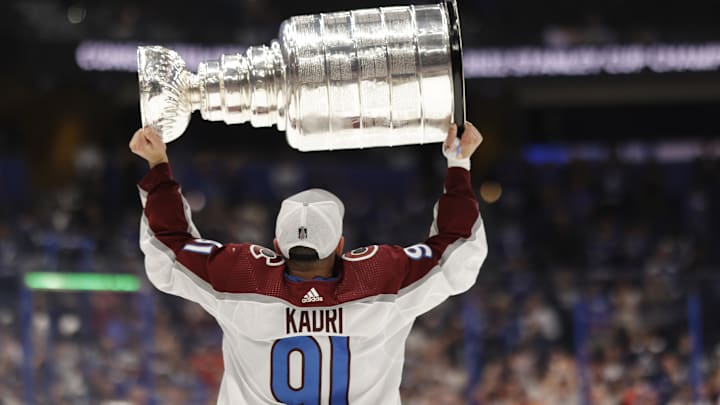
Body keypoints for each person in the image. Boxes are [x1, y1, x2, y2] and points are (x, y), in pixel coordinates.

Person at [130, 122, 488, 404]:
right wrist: (459, 163)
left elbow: (168, 249)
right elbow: (459, 253)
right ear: (340, 245)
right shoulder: (383, 280)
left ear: (275, 246)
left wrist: (158, 165)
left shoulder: (240, 280)